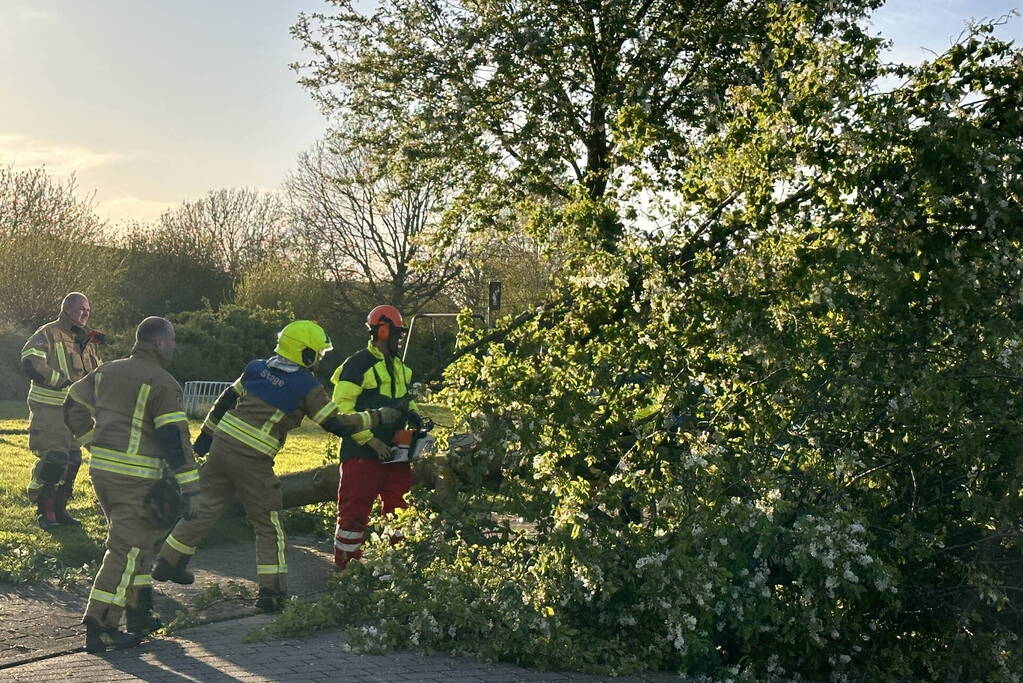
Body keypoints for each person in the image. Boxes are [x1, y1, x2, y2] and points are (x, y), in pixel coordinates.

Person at [151, 320, 401, 612]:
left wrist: (205, 438)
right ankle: (272, 594)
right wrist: (379, 417)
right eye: (317, 353)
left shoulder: (257, 367)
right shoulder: (307, 385)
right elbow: (335, 422)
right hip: (253, 459)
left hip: (222, 447)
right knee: (268, 524)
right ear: (305, 354)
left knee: (204, 508)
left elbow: (226, 400)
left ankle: (167, 562)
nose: (319, 359)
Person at [63, 316, 201, 653]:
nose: (174, 347)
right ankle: (100, 624)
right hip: (136, 480)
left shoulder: (108, 370)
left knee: (137, 545)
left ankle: (139, 613)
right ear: (157, 343)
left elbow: (71, 404)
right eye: (172, 341)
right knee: (125, 551)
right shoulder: (164, 383)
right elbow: (174, 439)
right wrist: (190, 487)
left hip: (104, 474)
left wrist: (92, 442)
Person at [332, 305, 421, 570]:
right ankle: (347, 570)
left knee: (399, 511)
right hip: (362, 454)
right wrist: (371, 441)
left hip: (397, 452)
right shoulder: (357, 364)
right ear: (383, 331)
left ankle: (397, 567)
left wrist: (416, 417)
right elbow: (342, 410)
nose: (400, 339)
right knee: (354, 514)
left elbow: (405, 401)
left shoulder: (400, 367)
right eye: (397, 333)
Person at [21, 292, 102, 529]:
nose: (85, 313)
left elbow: (97, 371)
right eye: (80, 309)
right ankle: (44, 511)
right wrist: (60, 381)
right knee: (55, 459)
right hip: (49, 407)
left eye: (88, 309)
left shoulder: (89, 339)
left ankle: (59, 509)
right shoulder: (48, 333)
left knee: (73, 460)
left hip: (75, 412)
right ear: (66, 309)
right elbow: (30, 362)